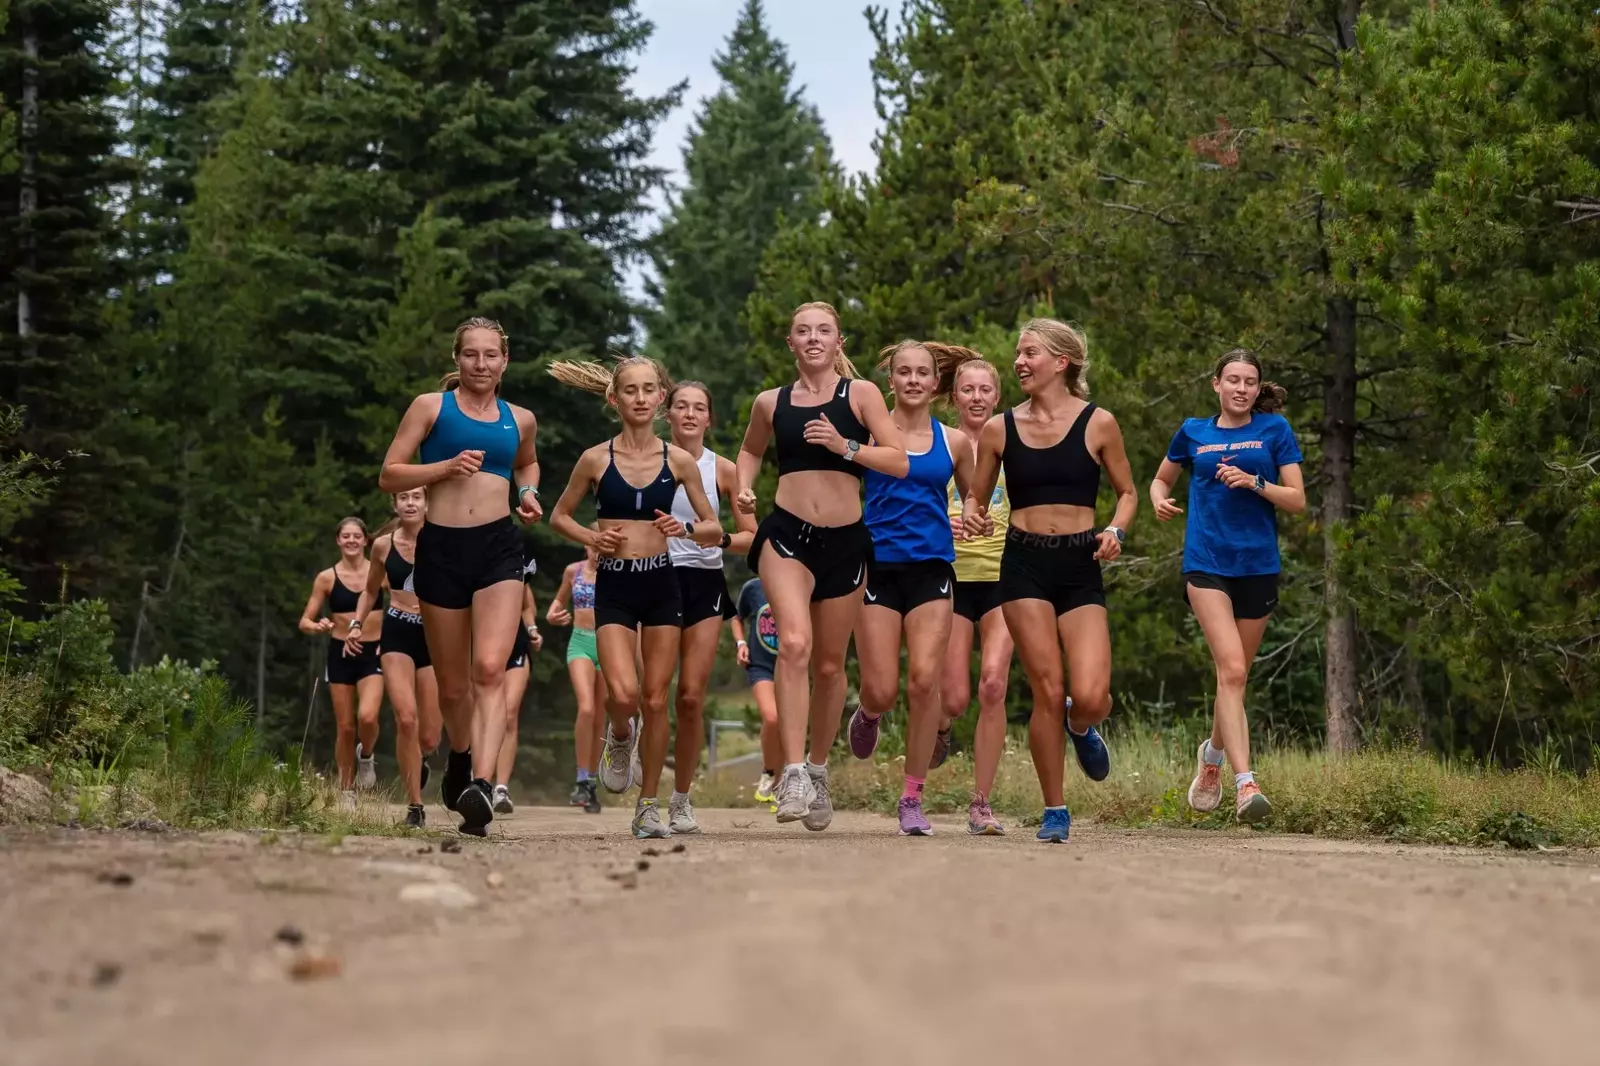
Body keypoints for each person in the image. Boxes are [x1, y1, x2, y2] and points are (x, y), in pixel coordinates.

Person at [735, 301, 908, 830]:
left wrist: (846, 445)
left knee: (830, 666)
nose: (813, 338)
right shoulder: (771, 402)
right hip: (787, 535)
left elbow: (898, 459)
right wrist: (743, 487)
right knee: (794, 644)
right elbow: (750, 452)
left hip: (846, 543)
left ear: (838, 342)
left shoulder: (861, 394)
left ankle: (816, 769)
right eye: (803, 331)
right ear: (790, 343)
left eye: (823, 331)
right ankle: (791, 774)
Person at [963, 318, 1137, 843]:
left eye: (1030, 353)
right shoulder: (1000, 429)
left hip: (1080, 563)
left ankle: (1080, 723)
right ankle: (1055, 809)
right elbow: (976, 495)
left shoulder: (1099, 423)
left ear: (1061, 362)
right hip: (1024, 564)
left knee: (1091, 695)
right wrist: (973, 515)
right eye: (1018, 353)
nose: (1019, 362)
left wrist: (1116, 530)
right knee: (1048, 688)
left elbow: (1127, 493)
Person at [377, 316, 541, 836]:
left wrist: (527, 493)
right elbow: (389, 474)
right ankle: (462, 757)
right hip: (442, 551)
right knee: (452, 689)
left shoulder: (520, 419)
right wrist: (444, 468)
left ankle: (483, 787)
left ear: (505, 361)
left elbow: (527, 465)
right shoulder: (431, 408)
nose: (481, 364)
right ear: (457, 358)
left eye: (491, 355)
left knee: (490, 669)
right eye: (471, 354)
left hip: (498, 549)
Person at [547, 357, 717, 839]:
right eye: (630, 390)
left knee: (655, 699)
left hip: (662, 582)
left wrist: (683, 528)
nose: (640, 398)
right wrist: (592, 537)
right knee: (622, 695)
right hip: (615, 585)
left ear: (660, 397)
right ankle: (620, 735)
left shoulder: (678, 461)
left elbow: (713, 526)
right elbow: (559, 516)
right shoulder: (595, 459)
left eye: (648, 390)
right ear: (614, 398)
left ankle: (647, 807)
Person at [1151, 349, 1305, 824]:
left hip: (1257, 565)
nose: (1241, 388)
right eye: (1233, 379)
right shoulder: (1193, 431)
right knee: (1232, 671)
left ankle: (1212, 757)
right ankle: (1246, 785)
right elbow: (1161, 478)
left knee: (1234, 679)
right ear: (1216, 383)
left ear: (1258, 389)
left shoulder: (1275, 431)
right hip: (1207, 563)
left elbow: (1297, 499)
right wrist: (1159, 499)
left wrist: (1254, 482)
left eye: (1250, 381)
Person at [845, 341, 977, 836]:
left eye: (923, 372)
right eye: (905, 372)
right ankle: (869, 713)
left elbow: (972, 494)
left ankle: (912, 797)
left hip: (932, 568)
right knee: (881, 688)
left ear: (936, 383)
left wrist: (972, 514)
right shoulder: (870, 434)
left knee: (925, 681)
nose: (914, 380)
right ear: (891, 381)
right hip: (878, 566)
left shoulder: (955, 441)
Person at [663, 382, 757, 834]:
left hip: (703, 581)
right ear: (667, 414)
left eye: (698, 407)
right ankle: (623, 735)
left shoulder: (723, 469)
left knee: (690, 697)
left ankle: (681, 799)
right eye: (681, 406)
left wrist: (717, 539)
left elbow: (751, 536)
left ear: (709, 418)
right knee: (646, 692)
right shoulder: (648, 461)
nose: (689, 414)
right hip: (654, 576)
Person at [938, 356, 1014, 835]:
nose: (977, 397)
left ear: (997, 396)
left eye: (986, 389)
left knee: (992, 685)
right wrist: (939, 524)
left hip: (1004, 579)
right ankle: (942, 727)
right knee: (954, 698)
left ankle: (981, 803)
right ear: (955, 396)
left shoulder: (1011, 442)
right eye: (968, 389)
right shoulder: (942, 443)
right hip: (951, 578)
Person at [347, 490, 442, 828]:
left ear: (428, 504)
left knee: (429, 737)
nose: (410, 503)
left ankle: (421, 758)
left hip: (435, 637)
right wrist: (357, 623)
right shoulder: (383, 546)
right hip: (398, 632)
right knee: (406, 719)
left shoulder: (443, 540)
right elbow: (371, 590)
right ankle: (415, 806)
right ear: (395, 505)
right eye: (403, 498)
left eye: (416, 497)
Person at [298, 516, 384, 809]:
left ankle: (366, 755)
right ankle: (347, 790)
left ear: (365, 540)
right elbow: (305, 621)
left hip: (374, 652)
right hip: (340, 654)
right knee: (345, 726)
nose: (351, 541)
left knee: (368, 717)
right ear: (338, 540)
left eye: (356, 536)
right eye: (345, 536)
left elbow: (400, 602)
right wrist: (319, 625)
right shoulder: (327, 578)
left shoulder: (379, 572)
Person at [547, 545, 606, 813]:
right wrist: (553, 614)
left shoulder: (616, 574)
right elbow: (559, 601)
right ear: (587, 545)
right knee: (586, 708)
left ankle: (592, 781)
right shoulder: (574, 571)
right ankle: (581, 779)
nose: (599, 552)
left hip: (608, 645)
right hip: (580, 643)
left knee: (600, 717)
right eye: (596, 546)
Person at [492, 557, 543, 814]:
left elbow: (526, 604)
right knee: (480, 712)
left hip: (516, 648)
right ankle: (474, 777)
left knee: (509, 713)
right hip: (484, 647)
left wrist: (532, 629)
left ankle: (501, 788)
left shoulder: (516, 560)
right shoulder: (473, 556)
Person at [731, 577, 780, 807]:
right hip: (761, 666)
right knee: (772, 718)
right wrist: (741, 643)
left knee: (788, 726)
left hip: (792, 667)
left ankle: (781, 787)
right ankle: (768, 772)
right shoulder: (753, 588)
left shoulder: (802, 583)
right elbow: (736, 617)